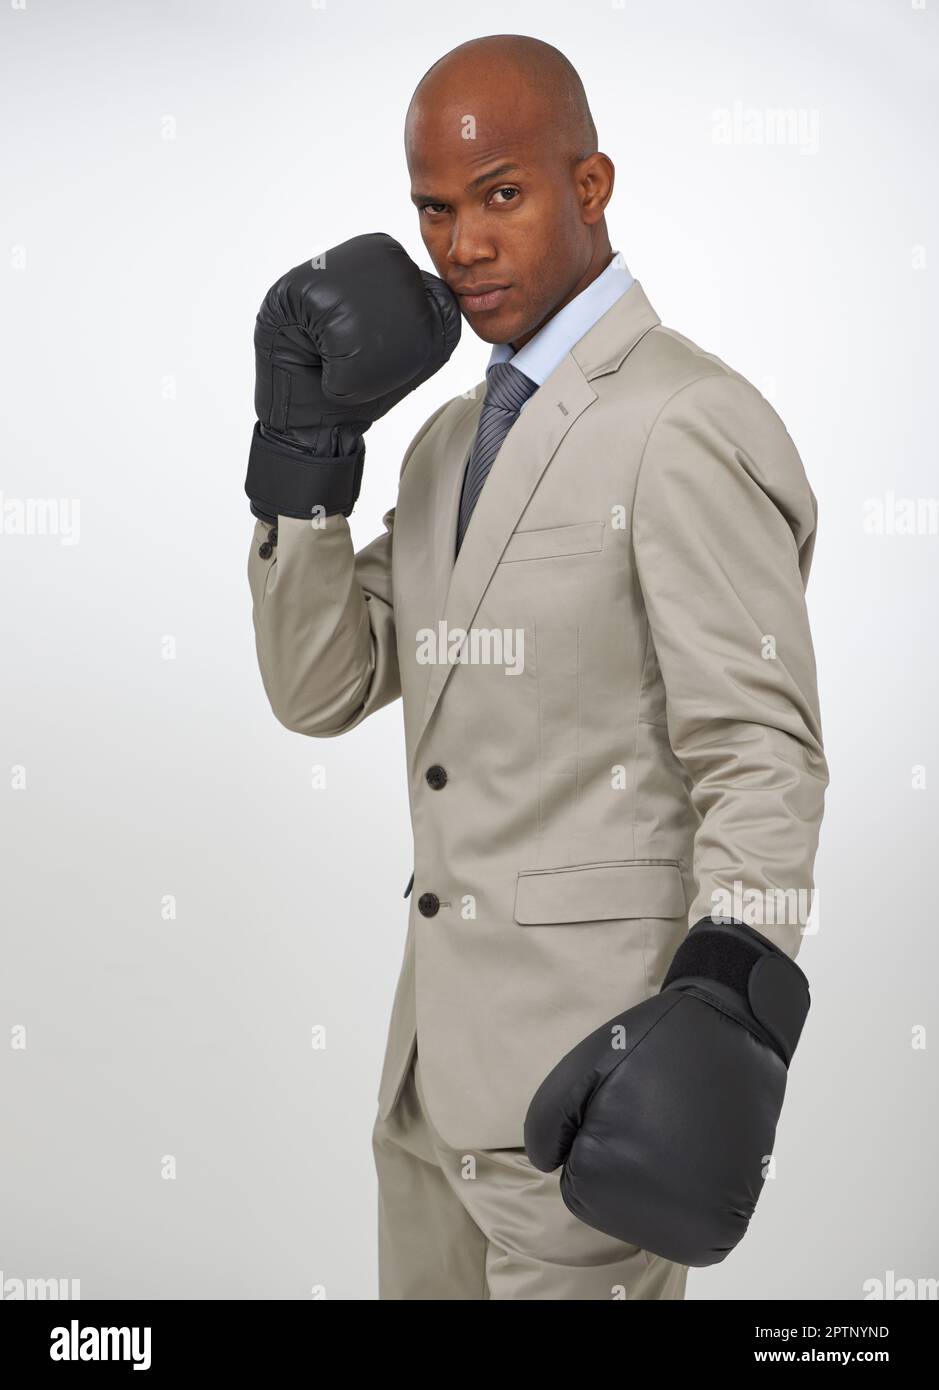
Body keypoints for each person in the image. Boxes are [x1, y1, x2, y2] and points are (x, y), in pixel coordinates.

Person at [245, 34, 828, 1300]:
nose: (463, 245)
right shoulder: (446, 442)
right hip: (427, 1086)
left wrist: (730, 1011)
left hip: (593, 1099)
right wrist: (304, 451)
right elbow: (321, 687)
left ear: (591, 183)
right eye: (435, 211)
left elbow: (763, 749)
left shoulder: (687, 421)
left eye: (500, 194)